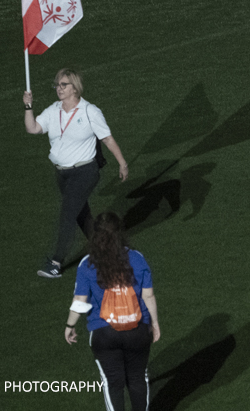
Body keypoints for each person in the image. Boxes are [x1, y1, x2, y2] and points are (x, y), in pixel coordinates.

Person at [24, 69, 129, 279]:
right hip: (62, 174)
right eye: (57, 85)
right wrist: (28, 106)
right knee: (82, 215)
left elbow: (107, 139)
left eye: (63, 85)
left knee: (68, 214)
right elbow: (33, 128)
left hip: (85, 172)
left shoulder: (90, 111)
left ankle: (56, 263)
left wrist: (122, 163)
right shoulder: (54, 110)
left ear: (75, 87)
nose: (59, 89)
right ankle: (105, 251)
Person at [64, 212, 160, 411]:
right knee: (137, 378)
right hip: (137, 329)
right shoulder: (136, 258)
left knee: (112, 383)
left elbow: (80, 300)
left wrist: (70, 325)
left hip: (104, 333)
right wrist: (154, 324)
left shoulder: (87, 264)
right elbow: (148, 296)